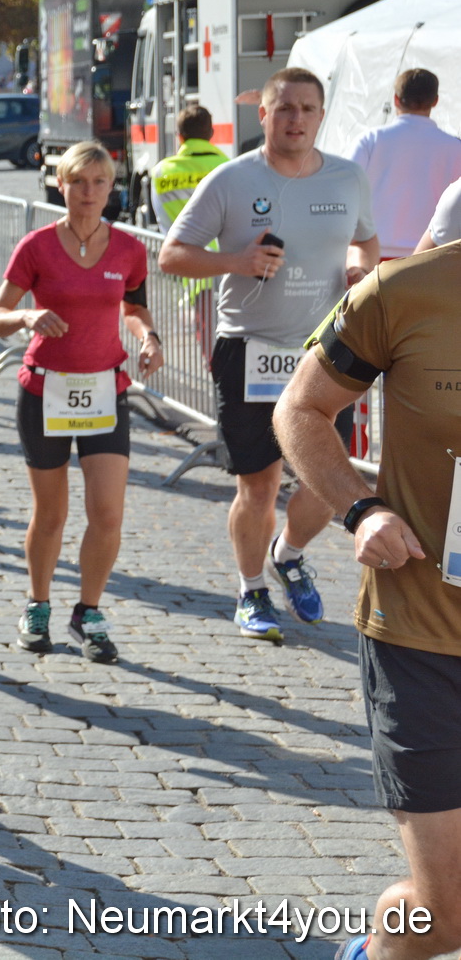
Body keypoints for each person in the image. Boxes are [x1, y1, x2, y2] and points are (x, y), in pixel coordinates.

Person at [275, 247, 461, 960]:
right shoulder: (403, 290)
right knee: (445, 916)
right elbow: (302, 407)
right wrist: (361, 510)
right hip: (421, 637)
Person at [160, 67, 378, 643]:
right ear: (264, 114)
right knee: (257, 484)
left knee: (327, 483)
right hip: (249, 348)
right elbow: (172, 255)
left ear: (321, 115)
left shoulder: (348, 177)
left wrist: (360, 268)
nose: (296, 120)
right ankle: (252, 588)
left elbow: (366, 238)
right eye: (284, 108)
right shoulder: (231, 180)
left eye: (307, 109)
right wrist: (237, 262)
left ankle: (290, 552)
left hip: (327, 355)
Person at [0, 141, 162, 663]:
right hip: (45, 390)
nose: (88, 193)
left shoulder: (129, 249)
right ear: (60, 185)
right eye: (77, 182)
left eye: (99, 182)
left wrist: (148, 338)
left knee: (107, 513)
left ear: (112, 187)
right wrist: (26, 317)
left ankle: (88, 612)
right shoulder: (37, 246)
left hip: (105, 388)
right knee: (52, 512)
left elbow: (134, 309)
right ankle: (38, 604)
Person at [344, 68, 461, 259]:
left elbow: (345, 188)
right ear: (435, 101)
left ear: (396, 99)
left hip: (373, 256)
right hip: (432, 259)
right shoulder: (455, 147)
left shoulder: (370, 140)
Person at [149, 105, 228, 231]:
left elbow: (162, 218)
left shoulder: (161, 171)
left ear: (179, 136)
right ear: (211, 133)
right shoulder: (228, 167)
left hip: (177, 249)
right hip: (221, 250)